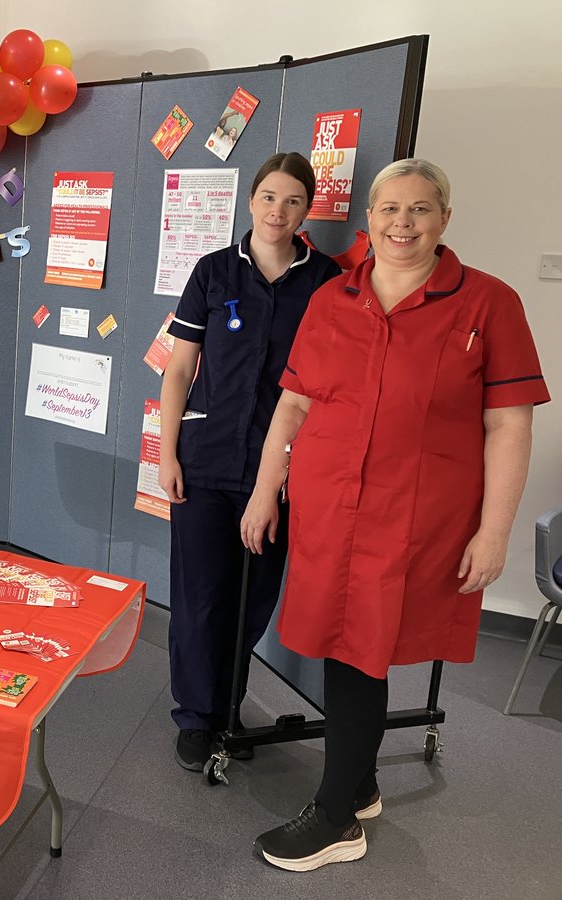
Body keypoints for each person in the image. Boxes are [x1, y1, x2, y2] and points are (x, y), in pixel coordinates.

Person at [242, 158, 549, 871]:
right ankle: (362, 776)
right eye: (388, 209)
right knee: (340, 642)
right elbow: (294, 403)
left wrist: (496, 530)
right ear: (367, 218)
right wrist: (266, 488)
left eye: (419, 209)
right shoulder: (333, 298)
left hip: (414, 517)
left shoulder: (488, 304)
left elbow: (509, 425)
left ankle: (337, 817)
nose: (402, 224)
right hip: (326, 508)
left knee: (359, 652)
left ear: (445, 218)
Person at [159, 152, 340, 771]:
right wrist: (166, 454)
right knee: (199, 597)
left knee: (251, 597)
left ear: (307, 210)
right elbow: (180, 368)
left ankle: (227, 708)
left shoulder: (327, 280)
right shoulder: (213, 272)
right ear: (251, 201)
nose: (278, 211)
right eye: (268, 197)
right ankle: (194, 716)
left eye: (292, 200)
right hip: (205, 462)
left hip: (282, 473)